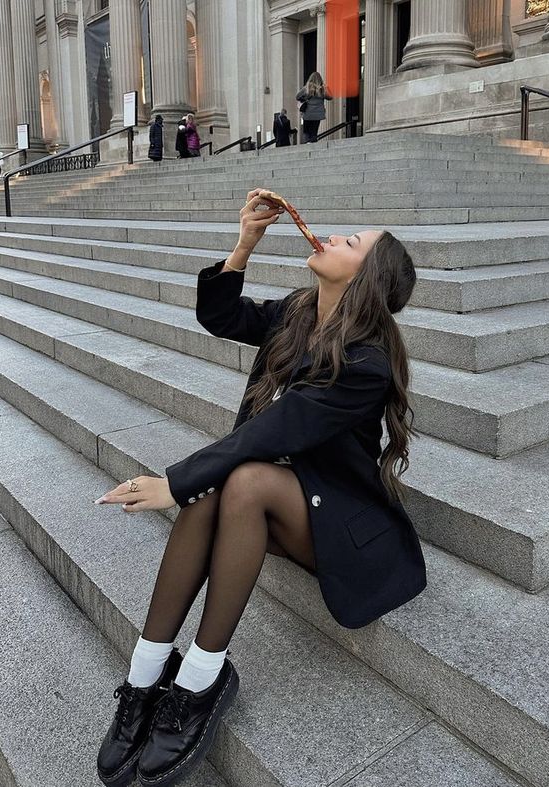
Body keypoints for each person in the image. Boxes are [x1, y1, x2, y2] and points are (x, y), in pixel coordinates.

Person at [94, 188, 427, 787]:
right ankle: (145, 676)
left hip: (339, 517)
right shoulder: (301, 311)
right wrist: (244, 245)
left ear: (365, 279)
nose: (331, 237)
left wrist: (173, 482)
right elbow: (221, 317)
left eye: (350, 243)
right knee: (220, 487)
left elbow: (275, 429)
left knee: (238, 478)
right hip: (282, 491)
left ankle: (200, 681)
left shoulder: (366, 364)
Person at [296, 72, 332, 143]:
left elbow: (297, 96)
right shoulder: (322, 89)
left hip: (308, 113)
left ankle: (307, 145)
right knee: (314, 132)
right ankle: (313, 145)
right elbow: (330, 97)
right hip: (318, 114)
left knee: (306, 132)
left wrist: (304, 99)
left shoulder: (307, 88)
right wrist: (327, 88)